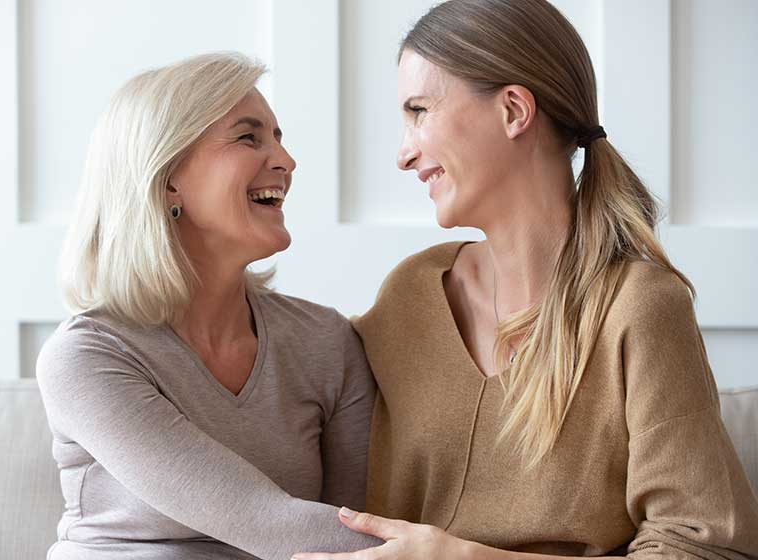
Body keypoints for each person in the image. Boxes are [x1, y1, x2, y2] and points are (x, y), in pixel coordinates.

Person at [291, 0, 758, 558]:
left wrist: (466, 557)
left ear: (514, 110)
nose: (402, 153)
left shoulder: (639, 308)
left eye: (419, 110)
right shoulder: (411, 295)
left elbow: (704, 545)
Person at [36, 52, 382, 560]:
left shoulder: (325, 341)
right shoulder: (88, 356)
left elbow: (350, 525)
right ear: (168, 175)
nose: (286, 161)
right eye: (249, 137)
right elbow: (267, 521)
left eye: (279, 138)